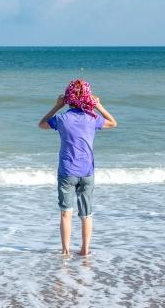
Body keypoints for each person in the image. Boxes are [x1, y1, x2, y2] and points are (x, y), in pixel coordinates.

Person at [38, 79, 117, 257]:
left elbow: (42, 124)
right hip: (87, 171)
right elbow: (113, 123)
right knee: (86, 214)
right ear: (87, 97)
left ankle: (66, 252)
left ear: (68, 98)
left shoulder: (62, 118)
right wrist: (98, 106)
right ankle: (85, 250)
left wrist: (57, 106)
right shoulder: (92, 118)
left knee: (66, 213)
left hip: (67, 171)